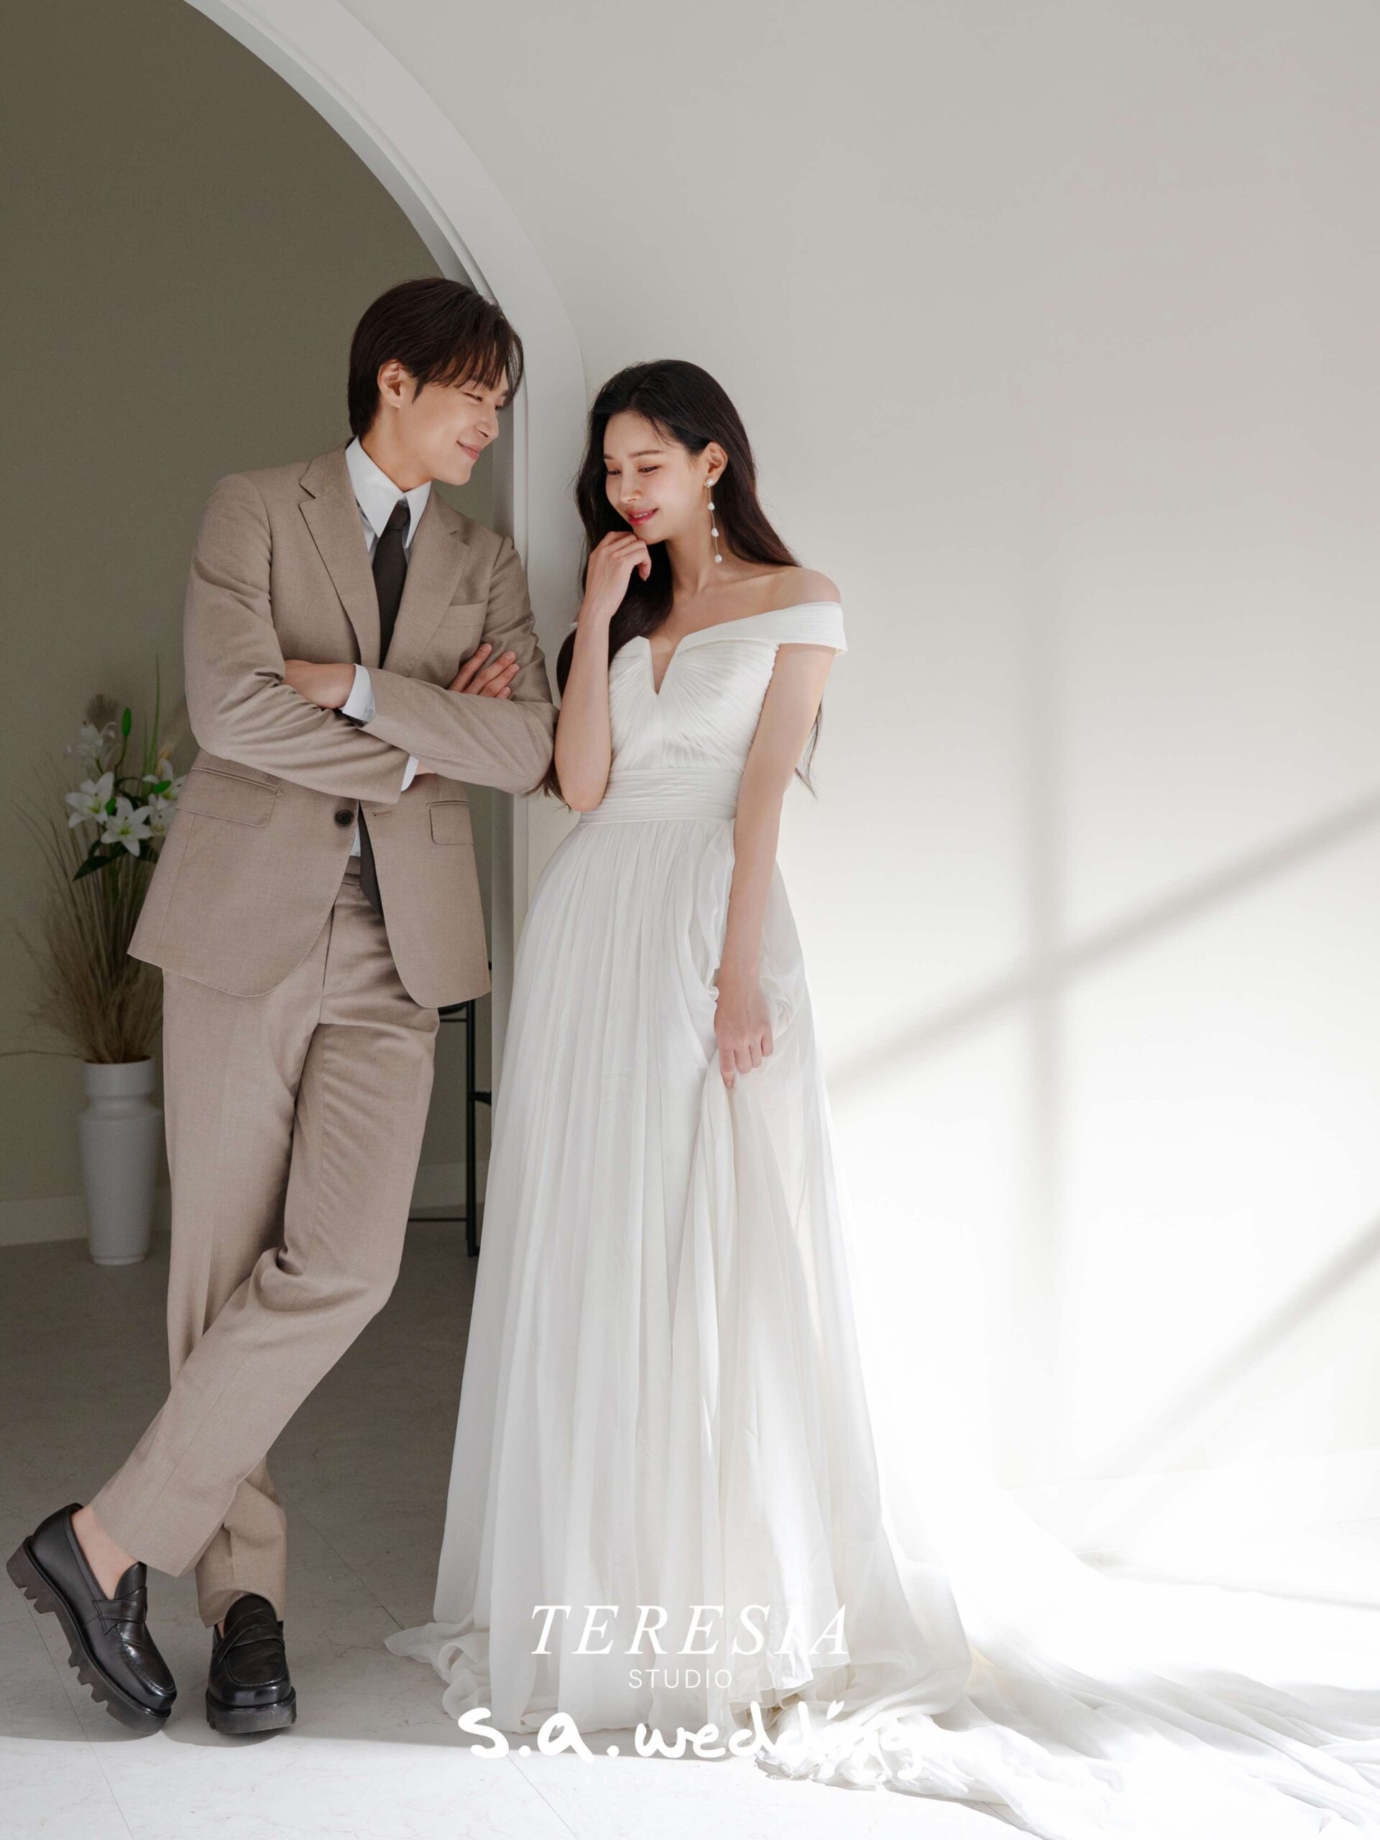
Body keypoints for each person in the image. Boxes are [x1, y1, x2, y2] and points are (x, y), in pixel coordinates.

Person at [385, 359, 1380, 1838]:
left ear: (714, 462)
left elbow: (762, 795)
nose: (625, 491)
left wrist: (738, 974)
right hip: (593, 928)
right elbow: (581, 786)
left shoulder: (801, 602)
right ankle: (599, 1583)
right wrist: (592, 619)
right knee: (596, 1241)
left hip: (706, 919)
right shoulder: (624, 610)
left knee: (723, 1248)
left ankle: (729, 1593)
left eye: (649, 463)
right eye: (611, 469)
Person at [7, 277, 556, 1738]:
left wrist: (361, 688)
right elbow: (233, 708)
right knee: (220, 1272)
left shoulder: (488, 560)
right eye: (475, 395)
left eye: (503, 403)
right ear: (395, 380)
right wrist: (423, 733)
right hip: (240, 932)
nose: (491, 424)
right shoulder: (254, 509)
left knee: (347, 1267)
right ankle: (245, 1605)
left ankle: (103, 1541)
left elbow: (531, 747)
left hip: (401, 949)